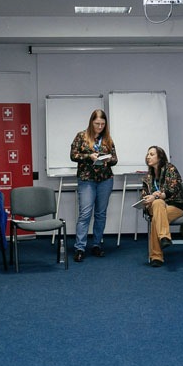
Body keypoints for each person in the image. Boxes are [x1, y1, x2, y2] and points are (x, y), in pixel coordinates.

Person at [70, 109, 118, 262]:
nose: (100, 127)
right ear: (91, 122)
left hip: (105, 179)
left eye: (103, 124)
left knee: (100, 214)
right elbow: (73, 155)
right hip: (87, 179)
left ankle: (96, 244)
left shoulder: (107, 138)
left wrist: (108, 159)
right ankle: (80, 247)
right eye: (97, 123)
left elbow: (115, 159)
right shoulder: (81, 136)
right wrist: (88, 156)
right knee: (85, 214)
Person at [140, 146, 183, 267]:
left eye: (151, 154)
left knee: (156, 219)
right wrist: (148, 199)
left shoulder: (170, 169)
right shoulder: (147, 177)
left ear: (160, 157)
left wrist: (160, 195)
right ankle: (164, 237)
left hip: (175, 205)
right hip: (155, 206)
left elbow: (174, 187)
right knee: (158, 203)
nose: (148, 157)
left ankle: (156, 257)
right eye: (147, 154)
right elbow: (144, 195)